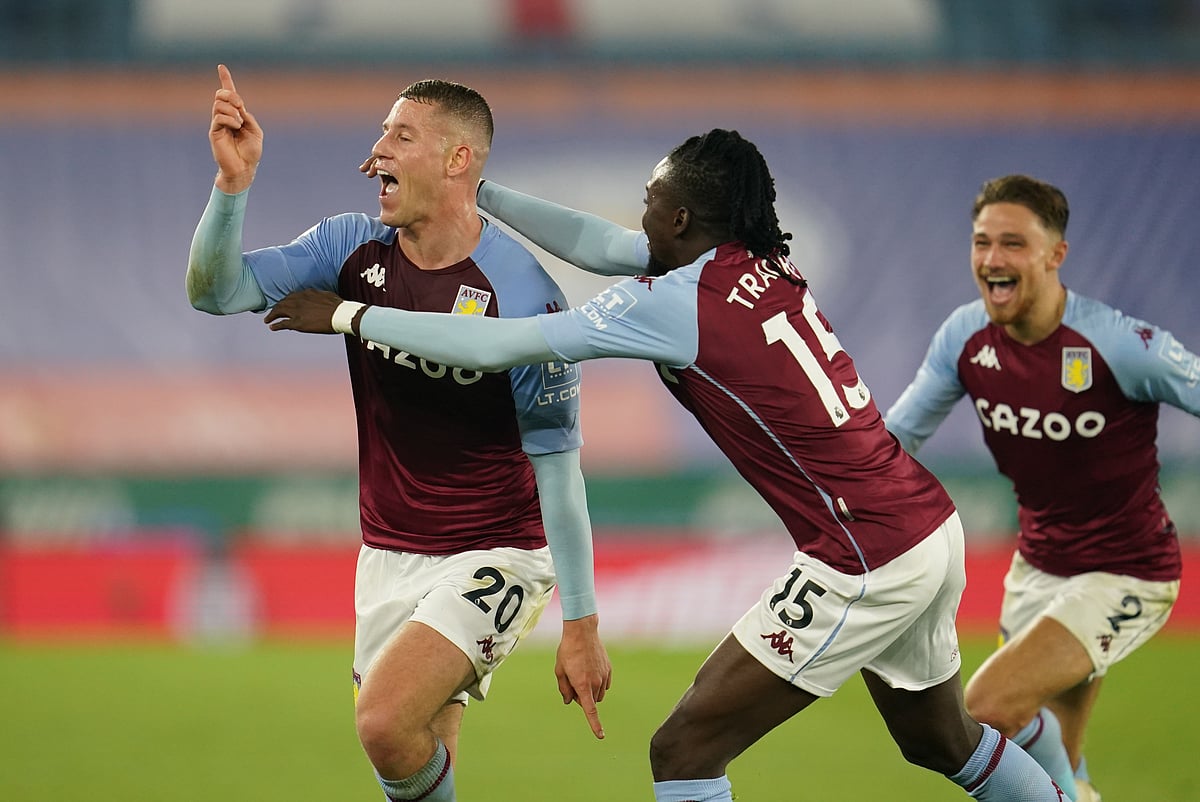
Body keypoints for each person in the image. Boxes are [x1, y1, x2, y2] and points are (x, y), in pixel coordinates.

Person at [264, 129, 1067, 801]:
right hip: (927, 528)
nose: (635, 215)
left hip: (862, 556)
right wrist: (481, 193)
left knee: (683, 750)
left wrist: (348, 314)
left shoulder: (672, 303)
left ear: (679, 216)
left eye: (649, 200)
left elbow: (500, 343)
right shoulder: (760, 263)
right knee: (941, 739)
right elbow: (605, 244)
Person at [187, 65, 612, 802]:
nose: (375, 150)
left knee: (383, 722)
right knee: (411, 752)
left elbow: (559, 467)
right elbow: (216, 292)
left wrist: (581, 623)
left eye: (400, 135)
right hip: (387, 553)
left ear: (458, 161)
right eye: (382, 131)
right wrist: (233, 188)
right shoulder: (352, 247)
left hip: (496, 551)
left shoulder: (523, 294)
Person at [885, 174, 1200, 802]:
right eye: (981, 243)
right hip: (1038, 570)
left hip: (1126, 572)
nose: (992, 260)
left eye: (1012, 244)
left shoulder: (1117, 344)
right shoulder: (964, 338)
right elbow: (895, 441)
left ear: (1056, 255)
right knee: (1055, 763)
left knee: (986, 708)